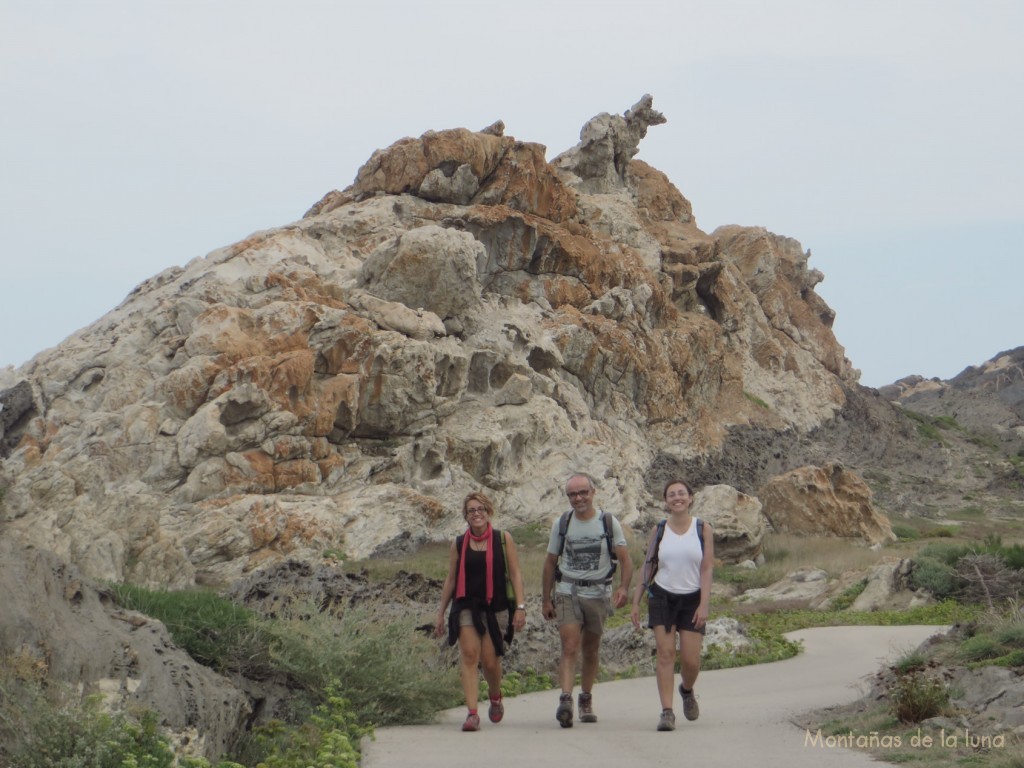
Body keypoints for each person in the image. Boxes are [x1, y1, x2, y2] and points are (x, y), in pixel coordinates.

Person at [542, 473, 633, 728]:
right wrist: (545, 599)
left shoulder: (608, 522)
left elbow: (625, 559)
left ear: (593, 492)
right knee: (570, 645)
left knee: (591, 649)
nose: (578, 498)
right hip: (567, 592)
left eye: (583, 492)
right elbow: (550, 562)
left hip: (598, 594)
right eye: (573, 494)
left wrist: (624, 588)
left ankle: (585, 698)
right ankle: (566, 699)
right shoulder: (562, 524)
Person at [435, 492, 527, 732]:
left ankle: (495, 696)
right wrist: (440, 612)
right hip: (466, 605)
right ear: (465, 516)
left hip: (495, 607)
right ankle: (472, 714)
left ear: (489, 512)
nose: (476, 514)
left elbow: (516, 574)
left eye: (480, 509)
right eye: (471, 510)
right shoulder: (458, 543)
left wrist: (520, 607)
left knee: (490, 661)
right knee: (468, 656)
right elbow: (451, 579)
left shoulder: (503, 539)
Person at [631, 479, 714, 731]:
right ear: (666, 501)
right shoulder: (660, 529)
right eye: (671, 495)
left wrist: (704, 604)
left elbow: (707, 567)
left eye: (681, 494)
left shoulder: (702, 528)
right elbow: (648, 565)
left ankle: (686, 689)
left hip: (692, 600)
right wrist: (636, 600)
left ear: (690, 497)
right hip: (662, 596)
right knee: (665, 654)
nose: (677, 498)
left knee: (691, 661)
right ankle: (667, 712)